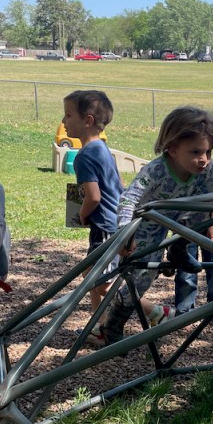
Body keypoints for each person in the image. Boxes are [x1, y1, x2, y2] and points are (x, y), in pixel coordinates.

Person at [100, 106, 213, 346]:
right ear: (172, 148)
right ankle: (115, 321)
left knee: (201, 208)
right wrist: (124, 233)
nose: (204, 159)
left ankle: (179, 247)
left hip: (182, 217)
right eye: (196, 152)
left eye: (208, 152)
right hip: (149, 221)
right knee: (143, 276)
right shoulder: (156, 170)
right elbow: (128, 198)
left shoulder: (206, 169)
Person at [62, 90, 123, 334]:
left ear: (87, 120)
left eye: (68, 115)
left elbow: (94, 196)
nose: (63, 121)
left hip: (105, 227)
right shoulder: (103, 148)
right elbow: (118, 184)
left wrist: (83, 213)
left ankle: (155, 311)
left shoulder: (84, 156)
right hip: (113, 223)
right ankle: (101, 326)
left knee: (102, 284)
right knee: (91, 276)